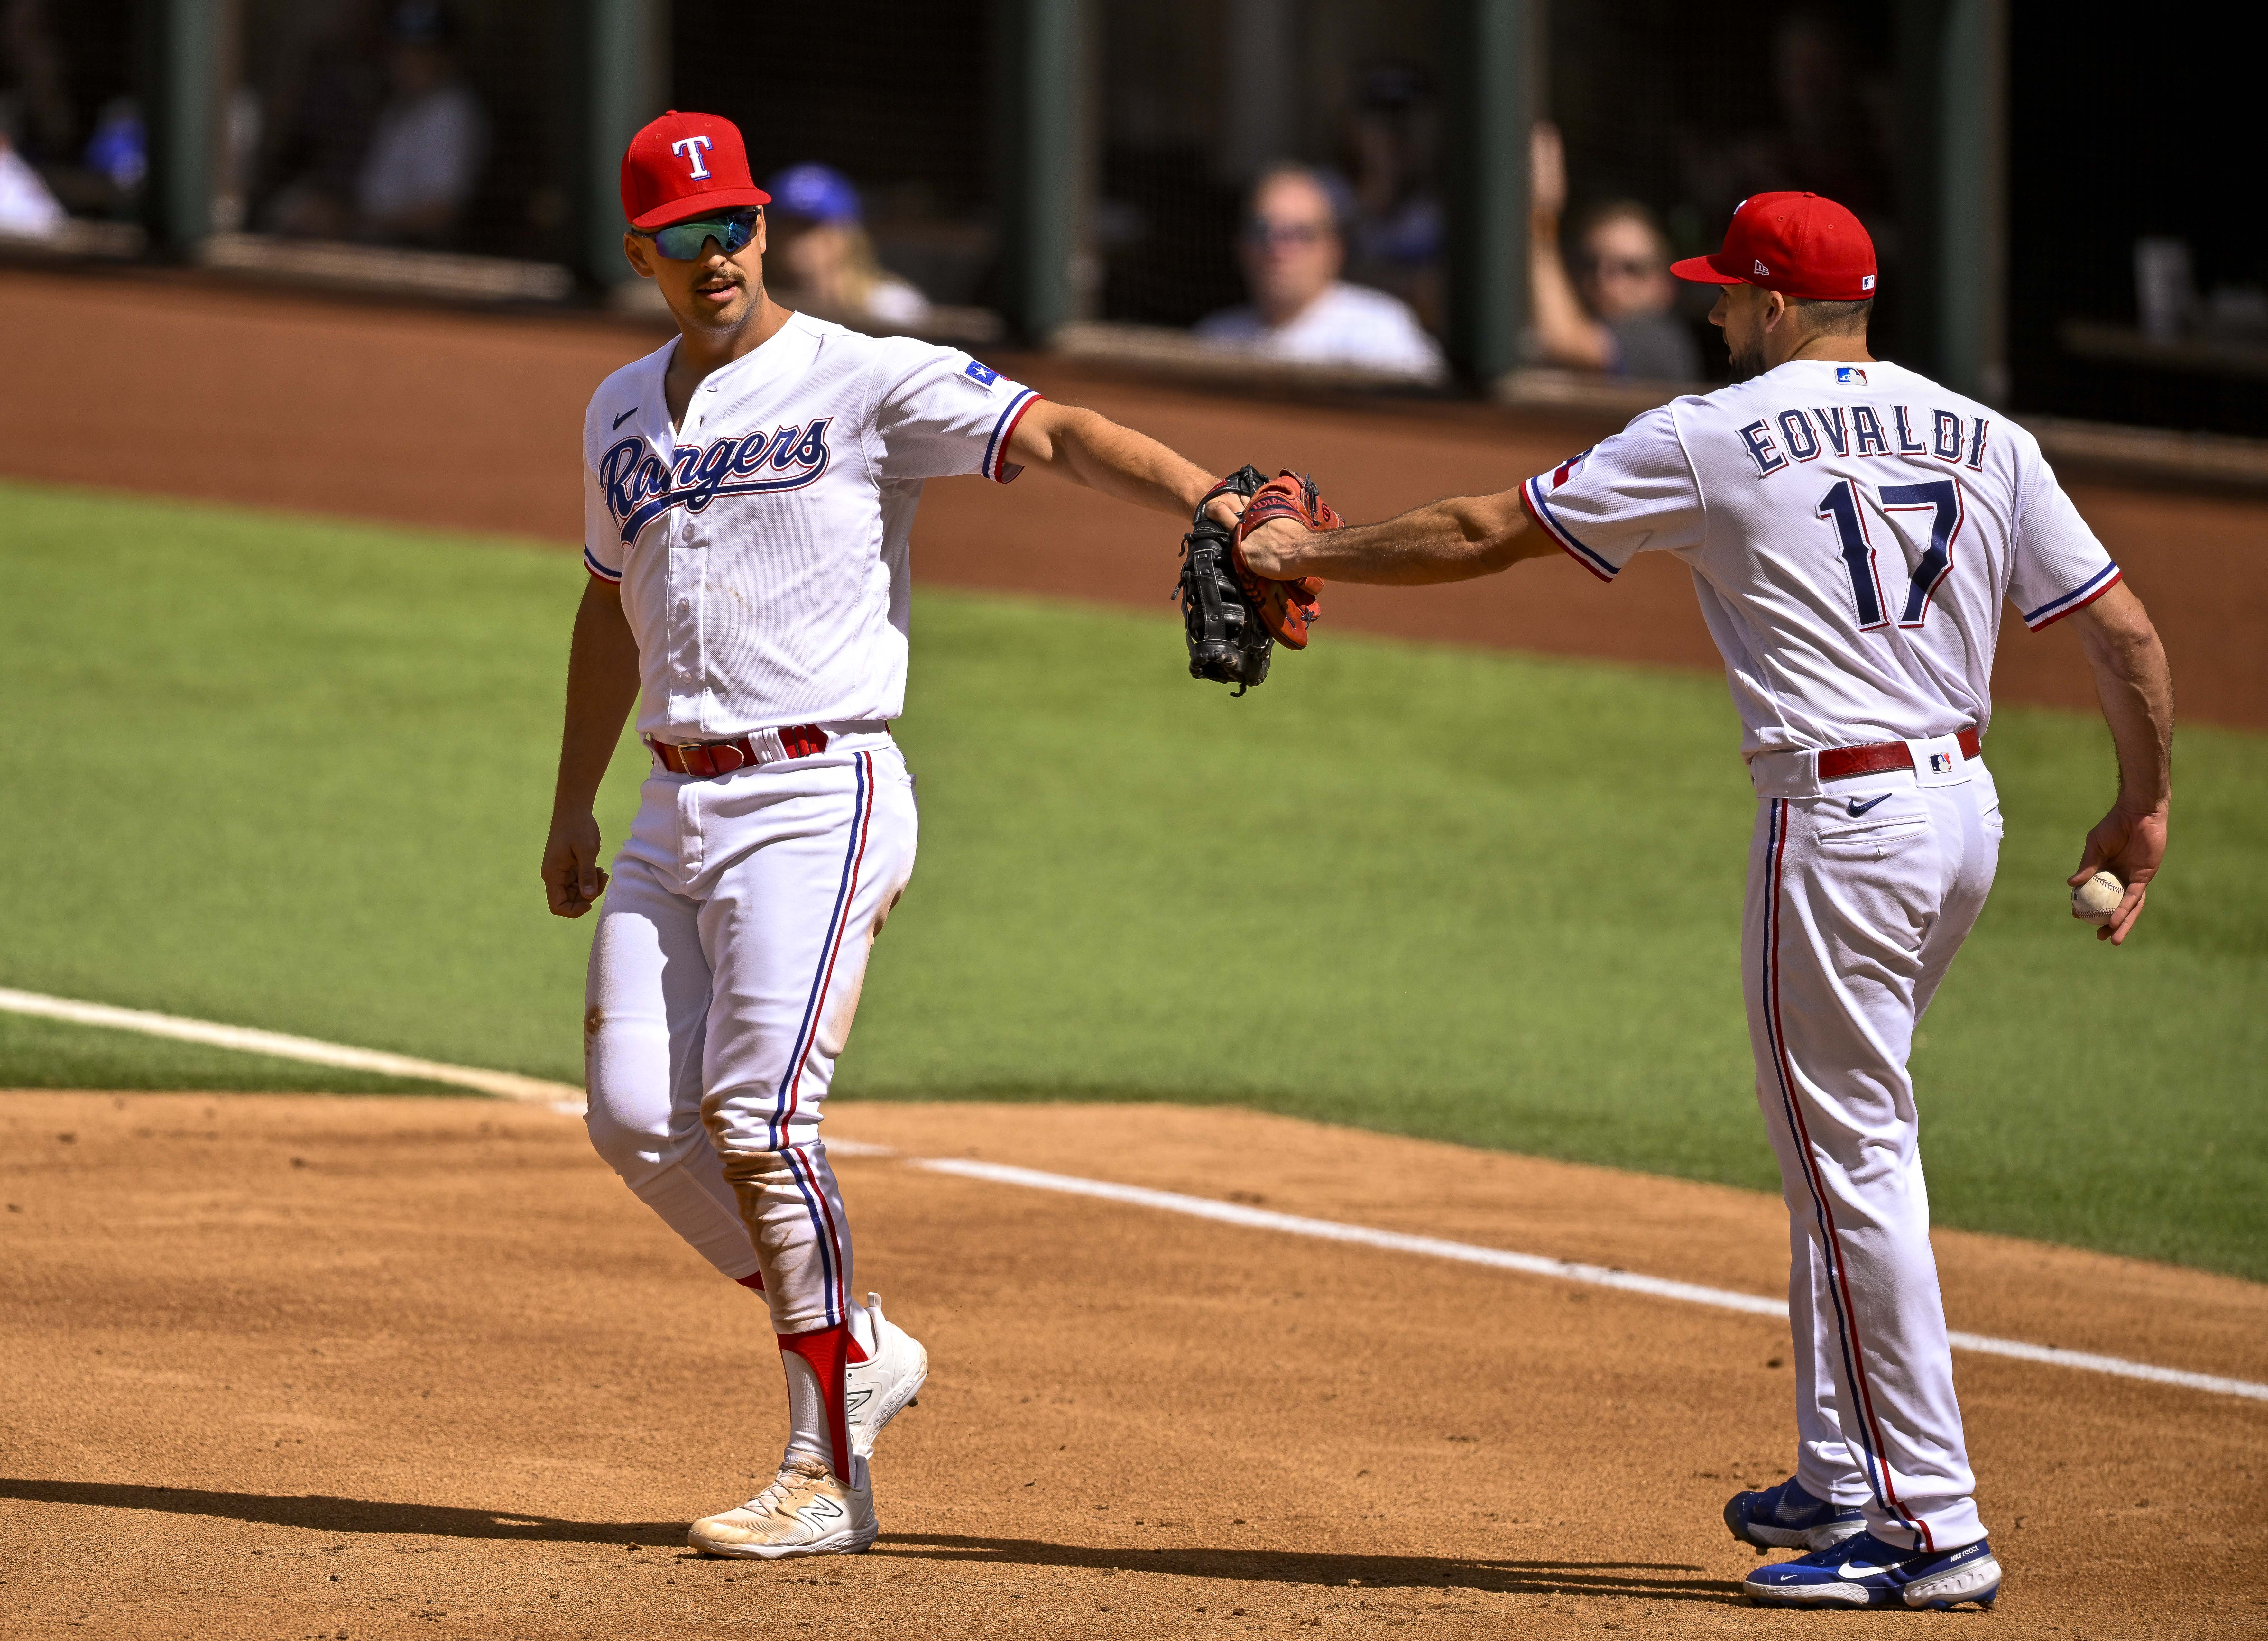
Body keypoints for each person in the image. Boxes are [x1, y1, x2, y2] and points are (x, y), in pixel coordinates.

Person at [1237, 191, 2171, 1613]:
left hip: (1843, 827)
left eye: (1725, 294)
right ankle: (1840, 1471)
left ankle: (1932, 1525)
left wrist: (1312, 557)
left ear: (1779, 304)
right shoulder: (1987, 434)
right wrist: (2141, 799)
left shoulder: (1712, 433)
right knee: (1835, 1134)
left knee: (1849, 1153)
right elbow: (2122, 631)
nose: (1710, 314)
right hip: (1961, 817)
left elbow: (1493, 526)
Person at [541, 110, 1258, 1560]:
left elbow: (1049, 429)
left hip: (820, 793)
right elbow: (602, 602)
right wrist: (571, 795)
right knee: (634, 1117)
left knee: (759, 1120)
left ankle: (823, 1469)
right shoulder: (620, 407)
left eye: (734, 224)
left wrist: (1213, 497)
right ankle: (854, 1342)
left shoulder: (866, 375)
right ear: (641, 252)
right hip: (675, 803)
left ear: (762, 229)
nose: (717, 254)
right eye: (684, 236)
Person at [1194, 164, 1446, 384]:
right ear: (1241, 247)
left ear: (1334, 249)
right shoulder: (1216, 337)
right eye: (1261, 231)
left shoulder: (1381, 334)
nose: (1277, 249)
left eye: (1299, 234)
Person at [1528, 122, 1700, 382]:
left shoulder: (1665, 343)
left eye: (1631, 269)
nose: (1604, 280)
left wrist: (1541, 217)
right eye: (1590, 264)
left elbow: (1562, 342)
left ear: (1665, 286)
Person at [352, 0, 484, 244]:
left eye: (424, 51)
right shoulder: (398, 107)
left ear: (447, 56)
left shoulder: (452, 111)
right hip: (374, 248)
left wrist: (353, 223)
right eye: (403, 50)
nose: (411, 61)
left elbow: (441, 214)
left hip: (418, 256)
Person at [760, 162, 930, 334]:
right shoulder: (761, 303)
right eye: (784, 226)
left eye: (807, 227)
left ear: (845, 234)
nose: (793, 240)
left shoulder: (891, 307)